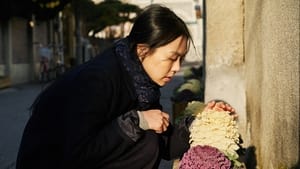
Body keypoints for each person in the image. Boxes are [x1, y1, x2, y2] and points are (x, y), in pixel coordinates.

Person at [16, 4, 235, 169]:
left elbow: (165, 144)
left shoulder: (141, 84)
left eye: (181, 59)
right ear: (142, 50)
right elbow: (77, 152)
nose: (177, 68)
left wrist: (204, 121)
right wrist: (138, 120)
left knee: (148, 139)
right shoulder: (97, 81)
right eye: (172, 58)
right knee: (145, 141)